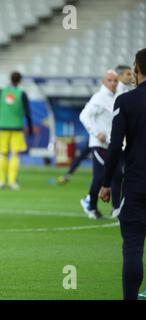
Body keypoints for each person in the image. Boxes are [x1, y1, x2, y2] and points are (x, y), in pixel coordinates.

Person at [99, 48, 146, 300]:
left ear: (136, 70)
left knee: (133, 247)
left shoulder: (126, 101)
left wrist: (106, 184)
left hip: (137, 185)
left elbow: (115, 146)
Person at [79, 70, 122, 219]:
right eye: (110, 80)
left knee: (118, 175)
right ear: (104, 82)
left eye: (115, 80)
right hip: (99, 144)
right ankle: (91, 206)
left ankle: (116, 208)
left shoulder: (119, 96)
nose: (113, 83)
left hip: (114, 144)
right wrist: (96, 132)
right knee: (100, 177)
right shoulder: (99, 98)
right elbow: (84, 115)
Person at [0, 72, 33, 190]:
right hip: (17, 127)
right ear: (20, 81)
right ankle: (12, 182)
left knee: (2, 153)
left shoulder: (1, 92)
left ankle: (1, 181)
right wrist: (30, 127)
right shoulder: (21, 93)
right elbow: (27, 112)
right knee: (15, 154)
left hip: (2, 126)